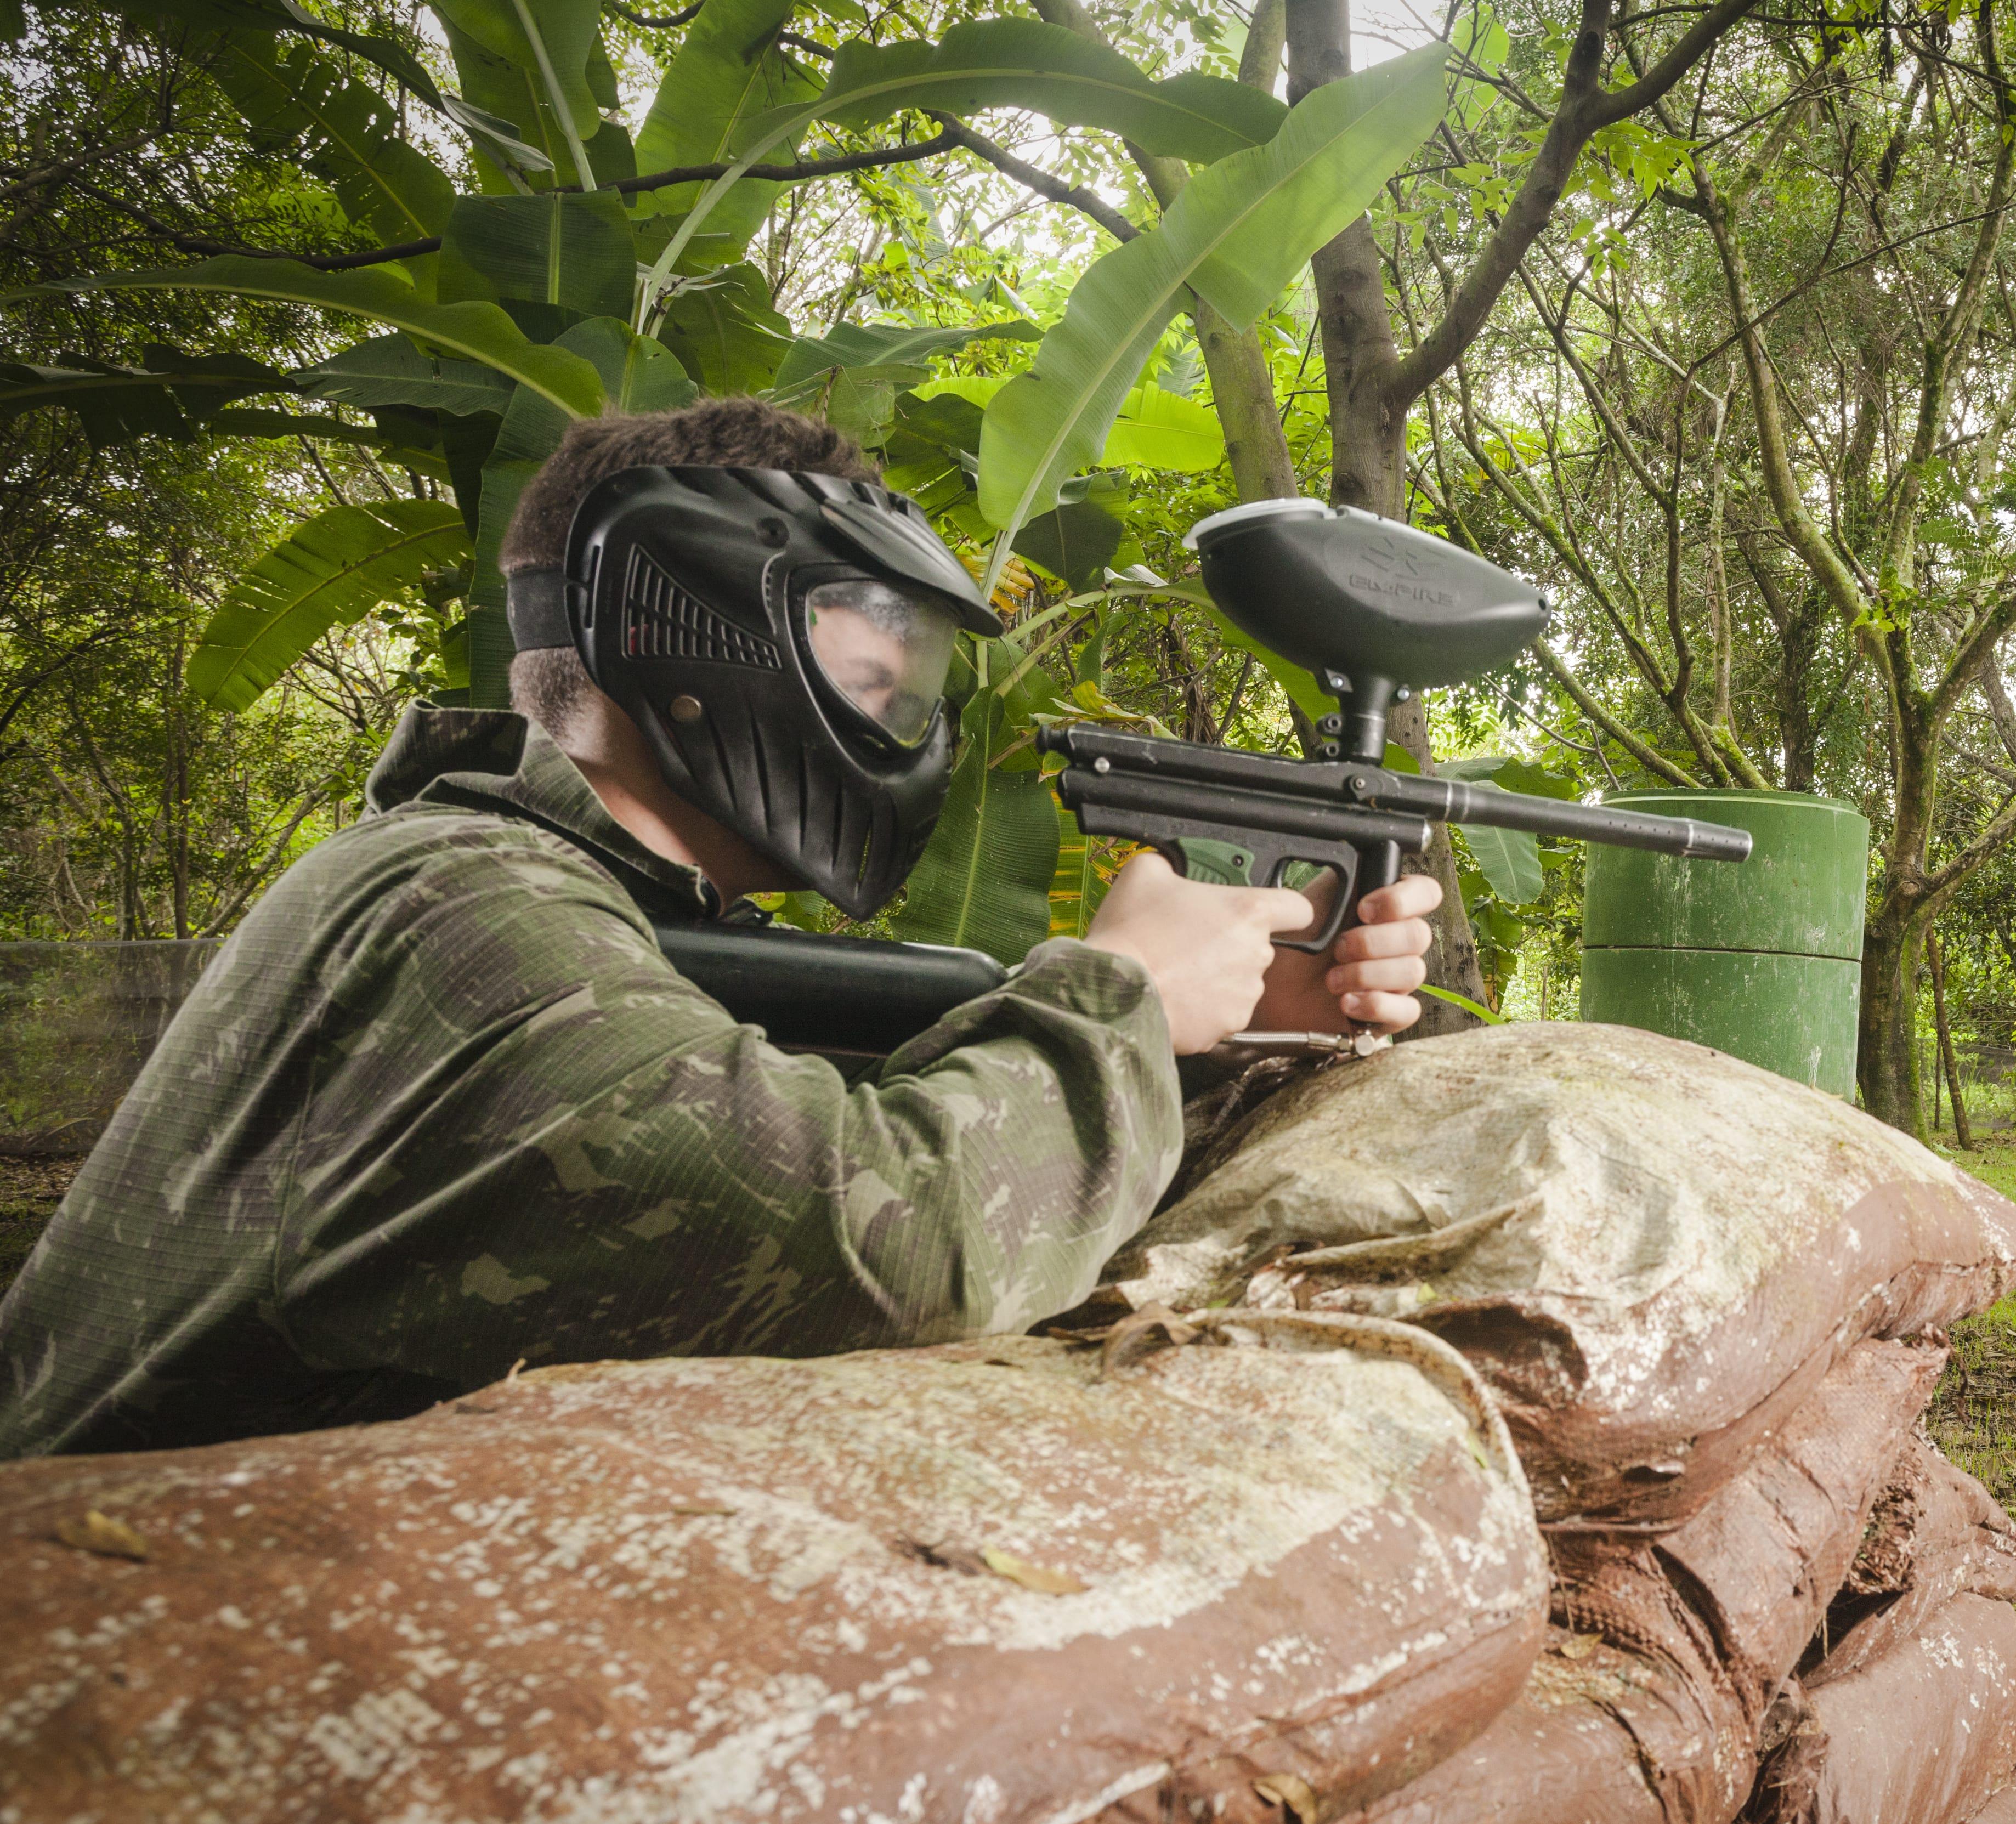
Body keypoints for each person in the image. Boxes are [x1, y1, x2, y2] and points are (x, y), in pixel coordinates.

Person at [0, 399, 1439, 1459]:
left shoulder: (555, 901)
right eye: (878, 677)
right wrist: (1119, 994)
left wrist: (1225, 1024)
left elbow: (767, 1125)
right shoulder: (465, 914)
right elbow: (903, 1251)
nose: (909, 730)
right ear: (686, 622)